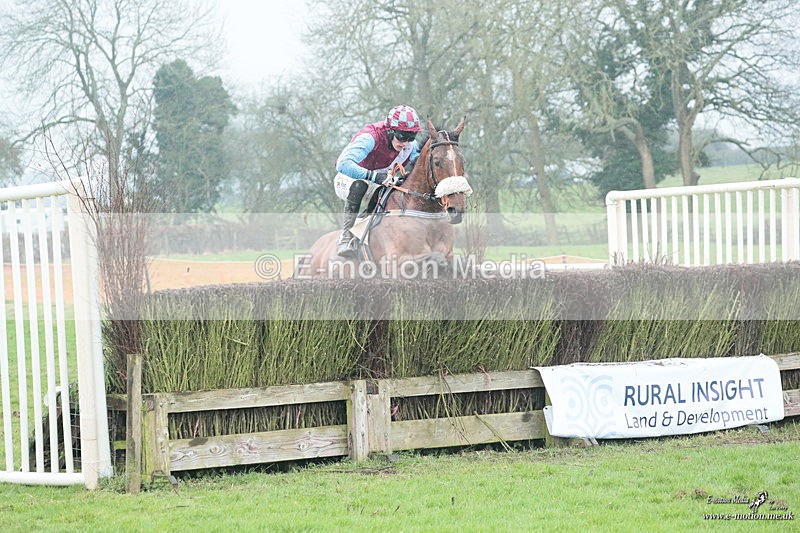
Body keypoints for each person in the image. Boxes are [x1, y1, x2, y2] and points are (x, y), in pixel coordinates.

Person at [333, 104, 422, 258]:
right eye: (402, 136)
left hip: (379, 182)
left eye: (411, 137)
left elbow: (419, 168)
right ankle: (346, 237)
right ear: (390, 130)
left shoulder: (410, 146)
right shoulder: (370, 137)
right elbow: (342, 164)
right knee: (360, 185)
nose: (406, 143)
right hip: (349, 178)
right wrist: (374, 177)